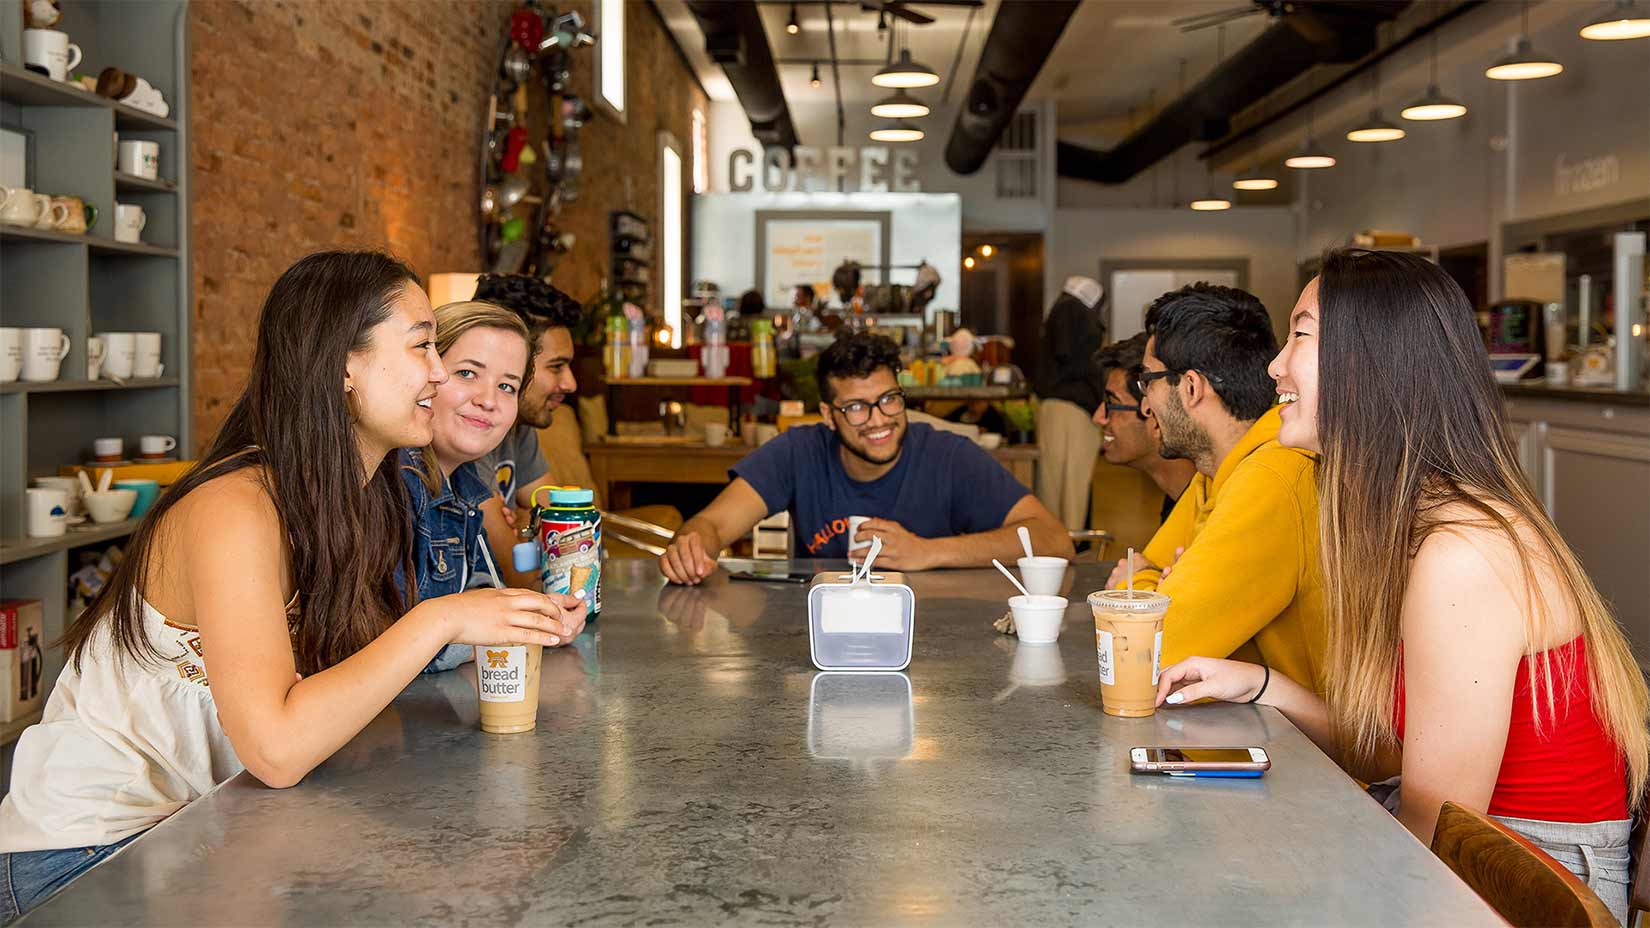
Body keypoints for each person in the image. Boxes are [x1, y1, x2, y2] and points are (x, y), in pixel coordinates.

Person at [0, 253, 582, 921]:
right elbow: (276, 751)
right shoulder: (237, 508)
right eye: (423, 345)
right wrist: (442, 620)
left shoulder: (363, 499)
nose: (439, 371)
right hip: (83, 857)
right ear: (341, 364)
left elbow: (333, 704)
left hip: (206, 831)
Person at [1156, 249, 1648, 922]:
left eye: (1300, 334)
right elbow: (1398, 758)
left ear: (1371, 364)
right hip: (1467, 854)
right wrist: (1264, 687)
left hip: (1526, 881)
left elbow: (1434, 833)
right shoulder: (1413, 530)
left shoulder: (1464, 555)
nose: (1275, 365)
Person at [659, 332, 1072, 583]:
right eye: (856, 407)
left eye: (889, 400)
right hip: (823, 638)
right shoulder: (800, 452)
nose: (879, 421)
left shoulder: (948, 456)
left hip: (935, 646)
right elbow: (711, 524)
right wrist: (692, 548)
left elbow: (1055, 540)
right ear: (827, 415)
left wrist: (928, 552)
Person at [1105, 282, 1326, 695]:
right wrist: (1155, 585)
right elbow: (1142, 576)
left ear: (1191, 388)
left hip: (1311, 747)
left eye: (1146, 382)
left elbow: (1146, 651)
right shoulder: (1220, 467)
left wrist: (1153, 587)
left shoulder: (1272, 475)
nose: (1144, 405)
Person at [404, 301, 588, 674]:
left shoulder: (464, 486)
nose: (488, 400)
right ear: (428, 373)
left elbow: (484, 596)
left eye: (507, 386)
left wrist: (540, 615)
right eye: (468, 373)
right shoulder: (393, 483)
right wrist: (513, 631)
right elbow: (380, 643)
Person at [469, 274, 582, 510]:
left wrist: (523, 525)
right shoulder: (469, 432)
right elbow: (501, 546)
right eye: (556, 366)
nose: (570, 384)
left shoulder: (518, 425)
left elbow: (557, 518)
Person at [1089, 333, 1196, 524]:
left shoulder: (1206, 514)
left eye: (1111, 402)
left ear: (1154, 412)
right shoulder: (1178, 500)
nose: (1098, 418)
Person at [1033, 276, 1106, 531]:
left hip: (1050, 407)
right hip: (1076, 411)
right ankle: (1072, 546)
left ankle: (1051, 546)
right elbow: (1084, 364)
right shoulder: (1076, 314)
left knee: (1051, 487)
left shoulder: (1058, 312)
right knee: (1075, 488)